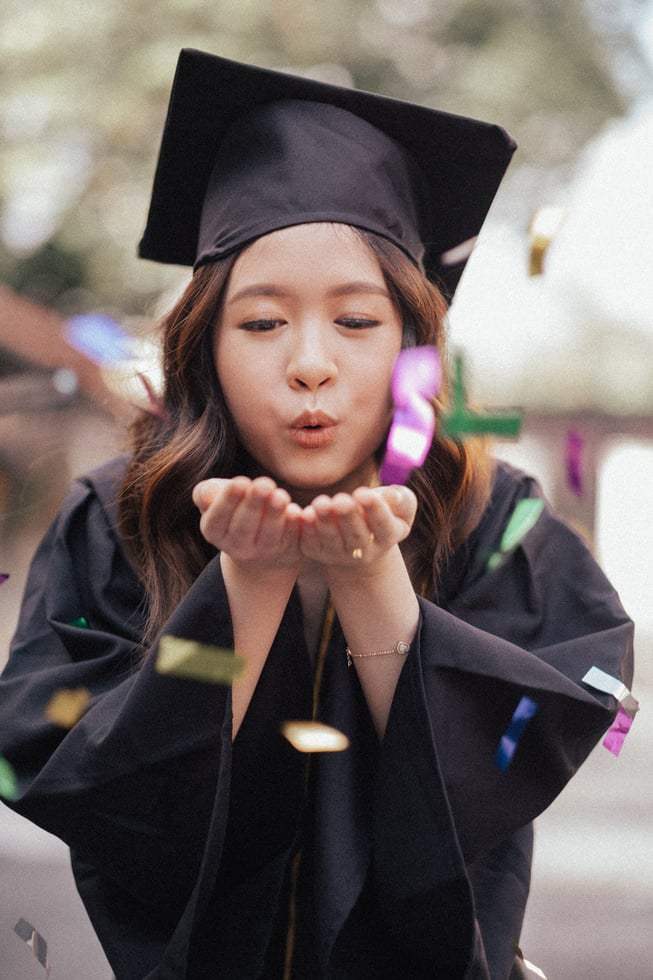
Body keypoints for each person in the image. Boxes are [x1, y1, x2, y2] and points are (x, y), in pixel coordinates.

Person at [0, 49, 634, 980]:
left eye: (356, 321)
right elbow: (96, 786)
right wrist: (244, 592)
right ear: (203, 344)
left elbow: (508, 760)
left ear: (414, 341)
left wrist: (375, 585)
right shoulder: (122, 515)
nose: (309, 363)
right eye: (260, 323)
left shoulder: (491, 519)